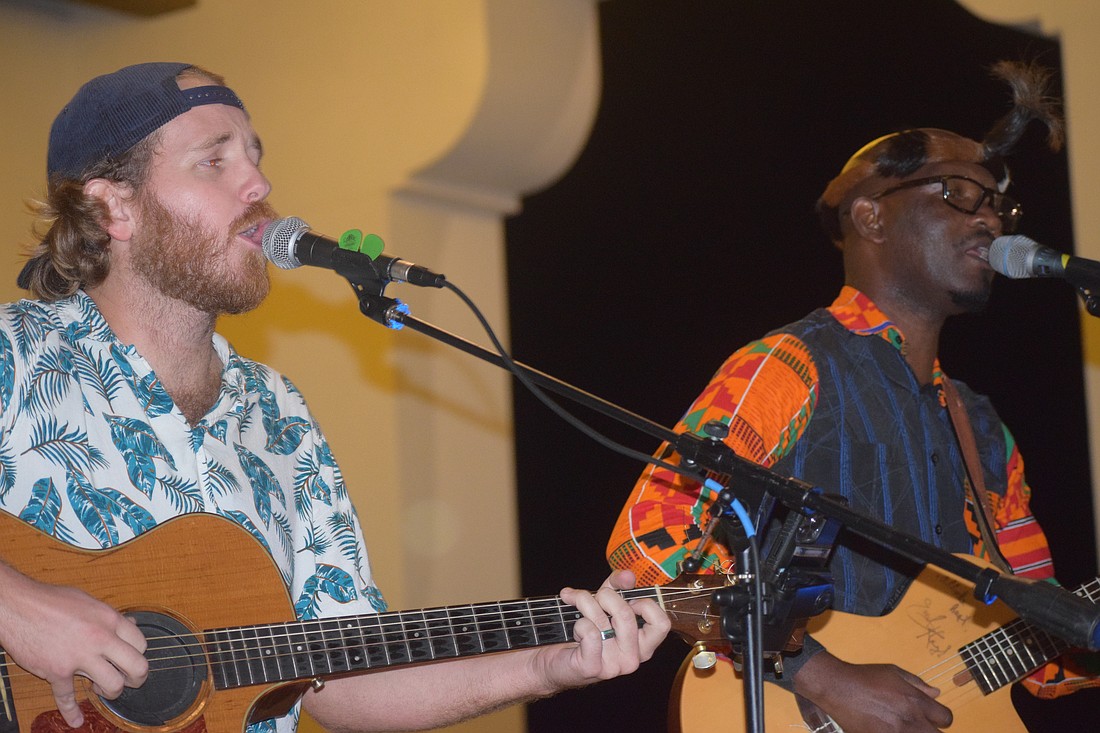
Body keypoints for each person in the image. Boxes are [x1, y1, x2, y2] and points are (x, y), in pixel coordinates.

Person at [0, 62, 670, 733]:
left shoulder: (278, 414)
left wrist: (550, 666)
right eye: (214, 161)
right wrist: (22, 607)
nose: (258, 184)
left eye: (255, 156)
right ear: (114, 206)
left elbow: (342, 679)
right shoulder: (16, 353)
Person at [607, 60, 1098, 732]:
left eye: (997, 203)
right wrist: (821, 674)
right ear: (870, 216)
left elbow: (1044, 652)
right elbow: (651, 536)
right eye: (960, 194)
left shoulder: (984, 429)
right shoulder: (788, 365)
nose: (990, 220)